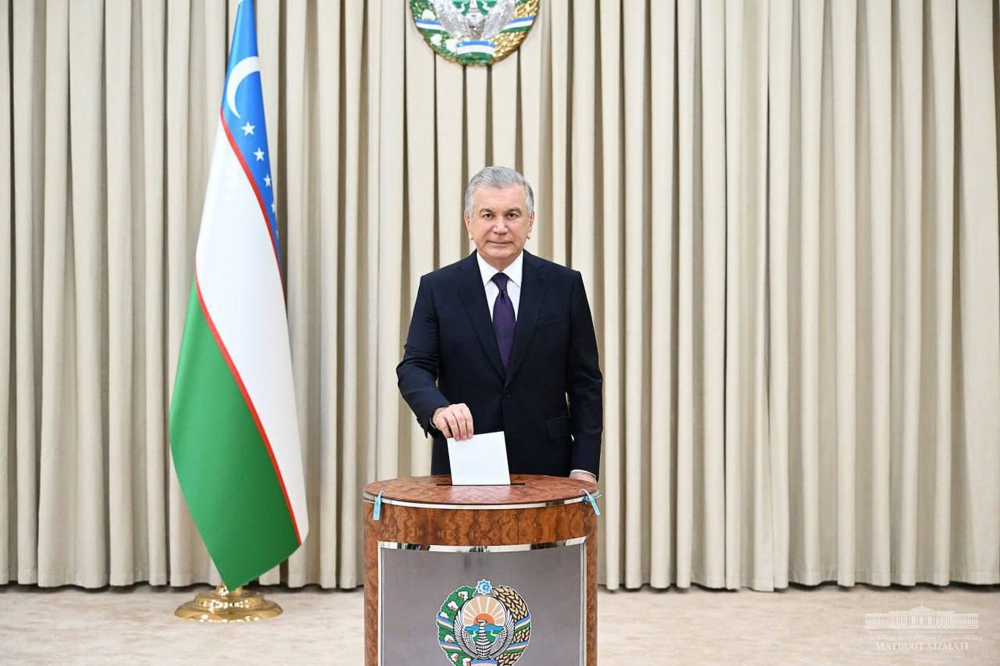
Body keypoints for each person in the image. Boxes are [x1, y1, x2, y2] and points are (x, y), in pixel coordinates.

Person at [396, 166, 602, 482]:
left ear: (530, 222)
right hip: (465, 460)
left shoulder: (565, 286)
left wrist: (584, 466)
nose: (500, 227)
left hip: (547, 468)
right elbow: (414, 367)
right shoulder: (438, 288)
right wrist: (438, 410)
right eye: (488, 215)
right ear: (469, 222)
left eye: (512, 215)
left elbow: (585, 382)